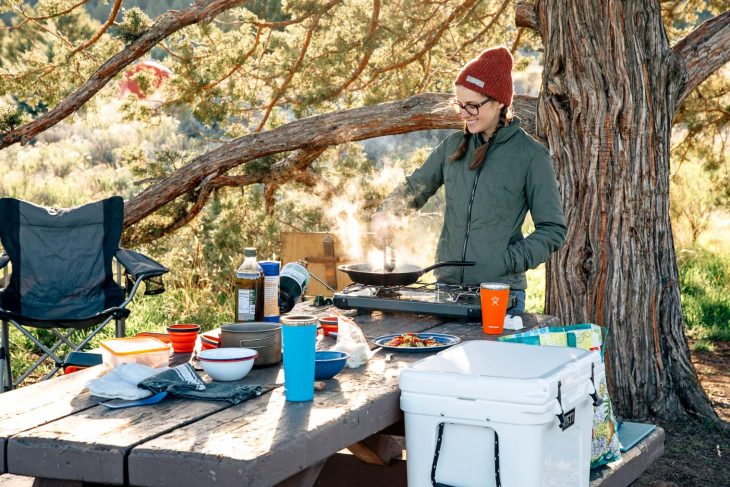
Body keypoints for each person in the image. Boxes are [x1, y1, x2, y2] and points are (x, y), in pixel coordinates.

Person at [373, 46, 566, 314]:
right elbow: (413, 188)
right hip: (447, 290)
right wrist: (387, 212)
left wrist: (508, 260)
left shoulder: (531, 156)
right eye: (459, 105)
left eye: (472, 105)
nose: (463, 114)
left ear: (499, 102)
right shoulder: (452, 146)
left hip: (499, 294)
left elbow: (553, 229)